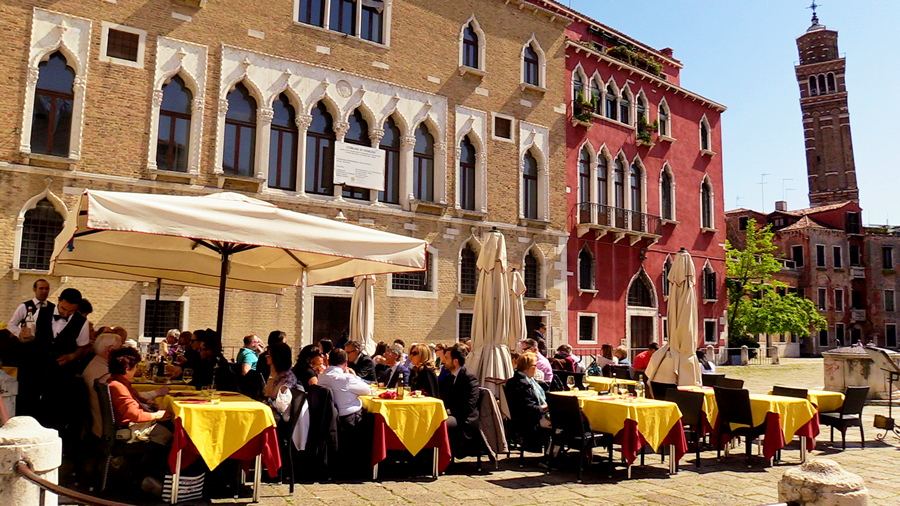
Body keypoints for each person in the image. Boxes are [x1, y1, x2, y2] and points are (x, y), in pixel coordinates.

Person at [17, 287, 92, 431]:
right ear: (58, 300)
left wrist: (71, 356)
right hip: (36, 368)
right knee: (29, 407)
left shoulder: (81, 322)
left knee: (54, 411)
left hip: (59, 374)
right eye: (63, 309)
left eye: (71, 311)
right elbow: (30, 336)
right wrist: (24, 336)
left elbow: (82, 347)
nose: (66, 313)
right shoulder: (42, 312)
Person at [106, 347, 172, 446]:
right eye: (136, 366)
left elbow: (136, 397)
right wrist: (156, 416)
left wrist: (150, 403)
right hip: (128, 428)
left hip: (130, 424)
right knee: (171, 434)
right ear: (128, 369)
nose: (137, 369)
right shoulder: (117, 386)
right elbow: (135, 415)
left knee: (169, 424)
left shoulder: (118, 381)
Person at [439, 343, 480, 458]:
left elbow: (469, 405)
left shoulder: (468, 378)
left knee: (442, 424)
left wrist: (449, 411)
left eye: (446, 358)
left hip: (465, 419)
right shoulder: (448, 378)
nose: (443, 361)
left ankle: (443, 458)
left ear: (455, 361)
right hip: (451, 414)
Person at [83, 332, 124, 438]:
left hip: (98, 425)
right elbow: (124, 400)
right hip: (110, 427)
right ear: (109, 350)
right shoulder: (106, 374)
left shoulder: (95, 365)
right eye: (120, 348)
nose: (122, 351)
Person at [505, 352, 551, 444]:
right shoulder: (522, 385)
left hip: (527, 418)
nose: (536, 368)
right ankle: (554, 452)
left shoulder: (524, 380)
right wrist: (549, 406)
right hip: (530, 421)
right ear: (527, 367)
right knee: (565, 421)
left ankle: (553, 450)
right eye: (535, 365)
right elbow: (531, 409)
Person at [317, 349, 370, 419]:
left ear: (329, 362)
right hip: (349, 418)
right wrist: (354, 376)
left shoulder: (320, 377)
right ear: (346, 363)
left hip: (327, 418)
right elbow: (367, 390)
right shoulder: (346, 378)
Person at [263, 342, 298, 421]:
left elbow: (270, 395)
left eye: (269, 355)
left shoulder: (287, 377)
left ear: (277, 358)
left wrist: (272, 375)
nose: (266, 356)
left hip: (278, 417)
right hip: (270, 411)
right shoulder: (277, 374)